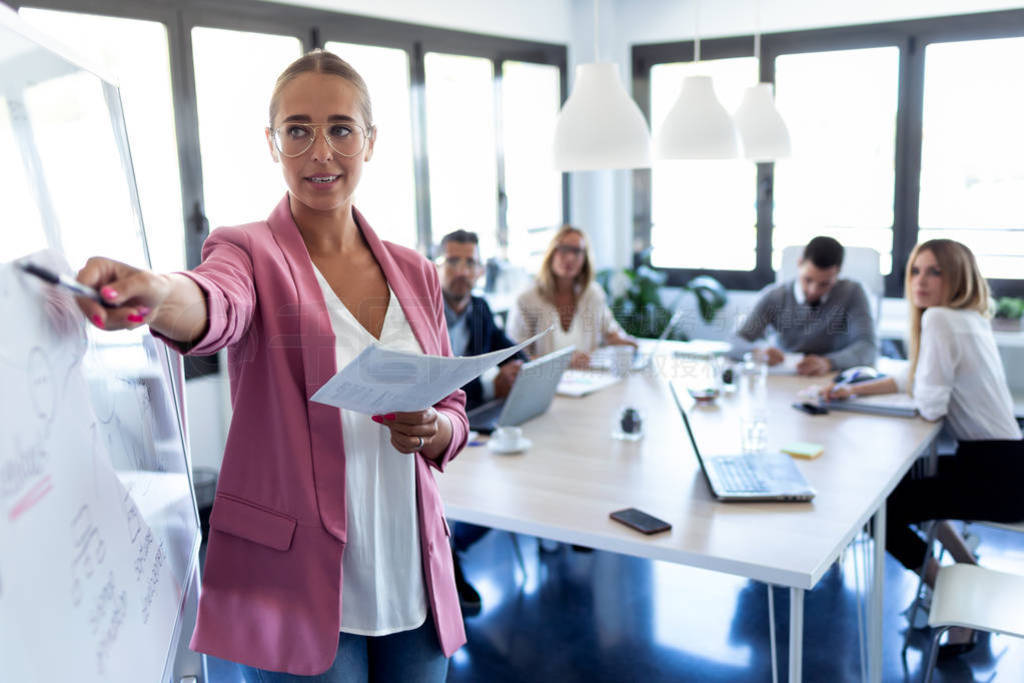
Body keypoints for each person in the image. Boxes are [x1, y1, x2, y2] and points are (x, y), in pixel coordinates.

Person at [74, 50, 468, 681]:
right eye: (298, 129)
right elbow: (215, 302)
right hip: (301, 581)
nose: (321, 151)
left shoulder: (415, 271)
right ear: (272, 141)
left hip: (410, 571)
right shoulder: (247, 250)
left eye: (341, 128)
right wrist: (155, 294)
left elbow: (452, 407)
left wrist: (438, 431)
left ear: (370, 140)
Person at [822, 239, 1023, 657]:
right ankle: (966, 571)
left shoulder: (941, 320)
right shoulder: (969, 317)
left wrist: (888, 399)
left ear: (957, 278)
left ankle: (955, 602)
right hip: (1005, 464)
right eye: (915, 271)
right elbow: (915, 379)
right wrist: (854, 389)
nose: (920, 281)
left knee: (878, 512)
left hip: (994, 475)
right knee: (910, 488)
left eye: (934, 272)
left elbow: (930, 405)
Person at [437, 228, 526, 614]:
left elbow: (509, 349)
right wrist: (492, 386)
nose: (461, 270)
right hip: (435, 426)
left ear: (480, 269)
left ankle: (451, 550)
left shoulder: (479, 309)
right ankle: (446, 563)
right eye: (452, 261)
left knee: (508, 485)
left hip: (474, 422)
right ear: (437, 267)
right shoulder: (419, 311)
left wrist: (516, 368)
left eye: (469, 262)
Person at [732, 236, 876, 375]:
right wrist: (759, 352)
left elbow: (868, 348)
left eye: (824, 284)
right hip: (783, 378)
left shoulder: (853, 293)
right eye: (808, 280)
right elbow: (736, 342)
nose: (813, 290)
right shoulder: (775, 296)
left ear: (838, 273)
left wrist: (828, 362)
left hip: (831, 379)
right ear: (799, 264)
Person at [507, 224, 636, 369]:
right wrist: (563, 361)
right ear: (551, 253)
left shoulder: (593, 294)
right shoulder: (526, 300)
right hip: (544, 384)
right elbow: (518, 359)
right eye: (563, 249)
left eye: (577, 251)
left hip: (588, 381)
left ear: (585, 258)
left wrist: (630, 342)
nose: (570, 257)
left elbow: (610, 331)